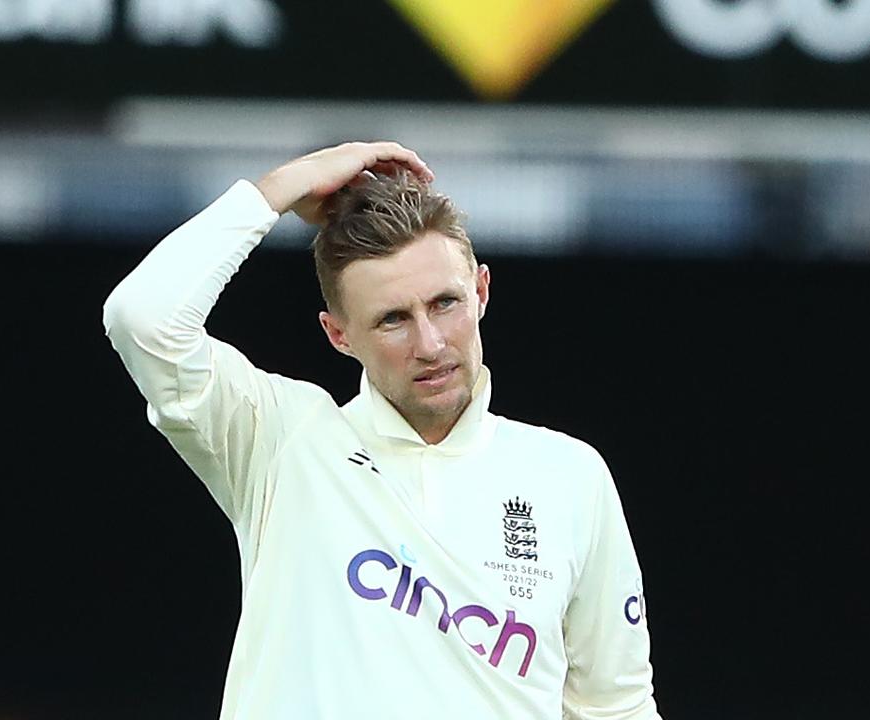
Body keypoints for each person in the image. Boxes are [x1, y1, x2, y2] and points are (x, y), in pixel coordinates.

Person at [102, 141, 662, 719]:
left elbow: (616, 708)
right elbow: (142, 318)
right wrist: (282, 187)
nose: (430, 344)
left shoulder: (569, 475)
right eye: (393, 319)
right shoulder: (283, 442)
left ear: (482, 292)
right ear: (337, 334)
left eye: (445, 303)